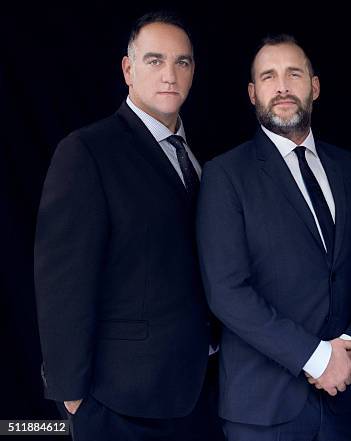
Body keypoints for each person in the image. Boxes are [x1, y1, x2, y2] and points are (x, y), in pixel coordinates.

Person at [34, 11, 222, 441]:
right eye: (155, 61)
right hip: (115, 400)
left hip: (192, 395)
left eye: (182, 62)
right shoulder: (88, 151)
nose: (170, 75)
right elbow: (62, 280)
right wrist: (71, 395)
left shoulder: (198, 160)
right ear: (128, 69)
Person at [196, 35, 351, 441]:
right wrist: (315, 359)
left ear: (314, 86)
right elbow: (226, 292)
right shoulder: (225, 176)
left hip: (348, 402)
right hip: (263, 408)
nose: (281, 87)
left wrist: (350, 346)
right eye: (268, 76)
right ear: (252, 92)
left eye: (293, 74)